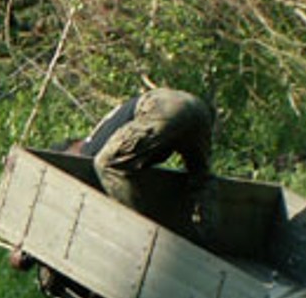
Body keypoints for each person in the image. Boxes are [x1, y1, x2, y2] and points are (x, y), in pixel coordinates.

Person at [80, 84, 215, 207]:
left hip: (164, 107)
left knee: (106, 164)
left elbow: (97, 166)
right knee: (201, 180)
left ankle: (133, 225)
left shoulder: (89, 148)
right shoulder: (108, 125)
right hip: (198, 108)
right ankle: (209, 228)